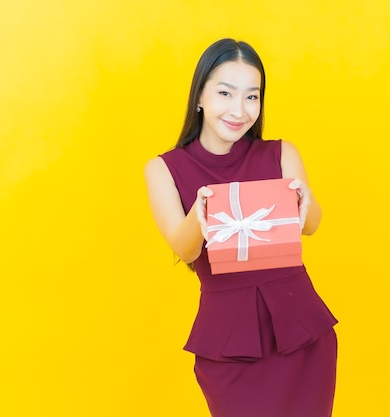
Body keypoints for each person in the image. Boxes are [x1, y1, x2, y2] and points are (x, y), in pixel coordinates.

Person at [144, 38, 338, 417]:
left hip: (302, 333)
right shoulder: (164, 168)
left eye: (252, 96)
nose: (240, 109)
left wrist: (305, 201)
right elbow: (183, 250)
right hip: (229, 342)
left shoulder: (281, 153)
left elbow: (311, 226)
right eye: (225, 93)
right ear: (199, 95)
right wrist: (198, 215)